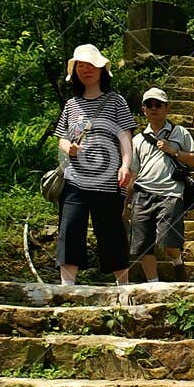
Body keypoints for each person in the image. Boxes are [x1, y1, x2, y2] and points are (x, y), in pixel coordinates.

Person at [53, 44, 134, 287]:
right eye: (81, 66)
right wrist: (69, 148)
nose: (86, 70)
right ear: (74, 71)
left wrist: (126, 165)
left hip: (108, 179)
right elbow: (62, 138)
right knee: (70, 227)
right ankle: (67, 288)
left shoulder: (116, 101)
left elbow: (124, 137)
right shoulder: (71, 105)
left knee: (111, 232)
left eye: (91, 65)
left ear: (101, 69)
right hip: (75, 178)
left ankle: (124, 288)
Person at [129, 87, 194, 282]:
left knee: (169, 242)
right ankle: (153, 283)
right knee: (143, 243)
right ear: (143, 109)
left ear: (167, 108)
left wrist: (174, 151)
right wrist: (125, 199)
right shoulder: (137, 140)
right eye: (149, 104)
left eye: (158, 104)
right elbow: (133, 172)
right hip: (143, 192)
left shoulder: (180, 132)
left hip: (171, 193)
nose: (154, 108)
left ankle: (177, 262)